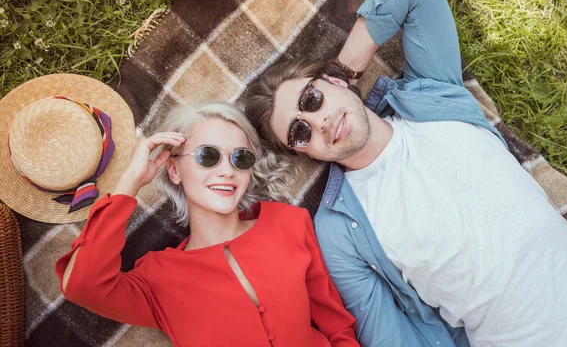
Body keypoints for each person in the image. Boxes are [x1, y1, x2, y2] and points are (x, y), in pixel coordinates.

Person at [244, 0, 567, 347]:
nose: (320, 122)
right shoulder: (338, 231)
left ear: (333, 83)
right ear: (303, 152)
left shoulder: (433, 93)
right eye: (299, 131)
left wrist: (344, 69)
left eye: (312, 99)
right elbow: (388, 336)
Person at [55, 101, 360, 347]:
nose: (227, 171)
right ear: (174, 169)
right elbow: (81, 284)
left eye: (240, 158)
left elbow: (335, 324)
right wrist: (130, 183)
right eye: (207, 156)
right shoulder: (157, 278)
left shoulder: (288, 222)